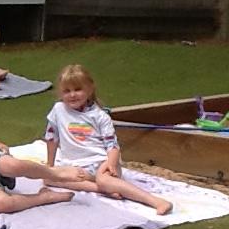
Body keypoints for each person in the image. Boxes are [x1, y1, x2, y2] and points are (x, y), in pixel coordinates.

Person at [44, 64, 172, 215]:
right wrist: (50, 164)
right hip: (76, 165)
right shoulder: (58, 110)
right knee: (48, 177)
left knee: (104, 179)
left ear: (89, 89)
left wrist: (110, 164)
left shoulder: (100, 116)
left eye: (77, 89)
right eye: (67, 91)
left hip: (102, 162)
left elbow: (112, 145)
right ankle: (103, 189)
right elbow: (51, 137)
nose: (72, 95)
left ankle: (156, 201)